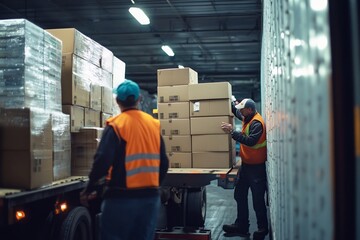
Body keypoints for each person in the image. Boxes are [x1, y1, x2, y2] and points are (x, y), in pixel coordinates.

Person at [80, 79, 169, 240]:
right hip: (149, 199)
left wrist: (89, 187)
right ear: (139, 99)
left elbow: (102, 160)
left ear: (117, 101)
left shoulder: (116, 125)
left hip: (120, 198)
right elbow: (164, 162)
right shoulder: (153, 125)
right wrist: (156, 186)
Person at [220, 98, 268, 240]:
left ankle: (262, 228)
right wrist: (228, 99)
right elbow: (236, 112)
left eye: (243, 109)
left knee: (258, 200)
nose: (240, 111)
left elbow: (251, 141)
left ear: (250, 110)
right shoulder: (247, 117)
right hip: (246, 166)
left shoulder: (256, 123)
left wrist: (232, 132)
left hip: (256, 168)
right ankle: (241, 226)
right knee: (239, 194)